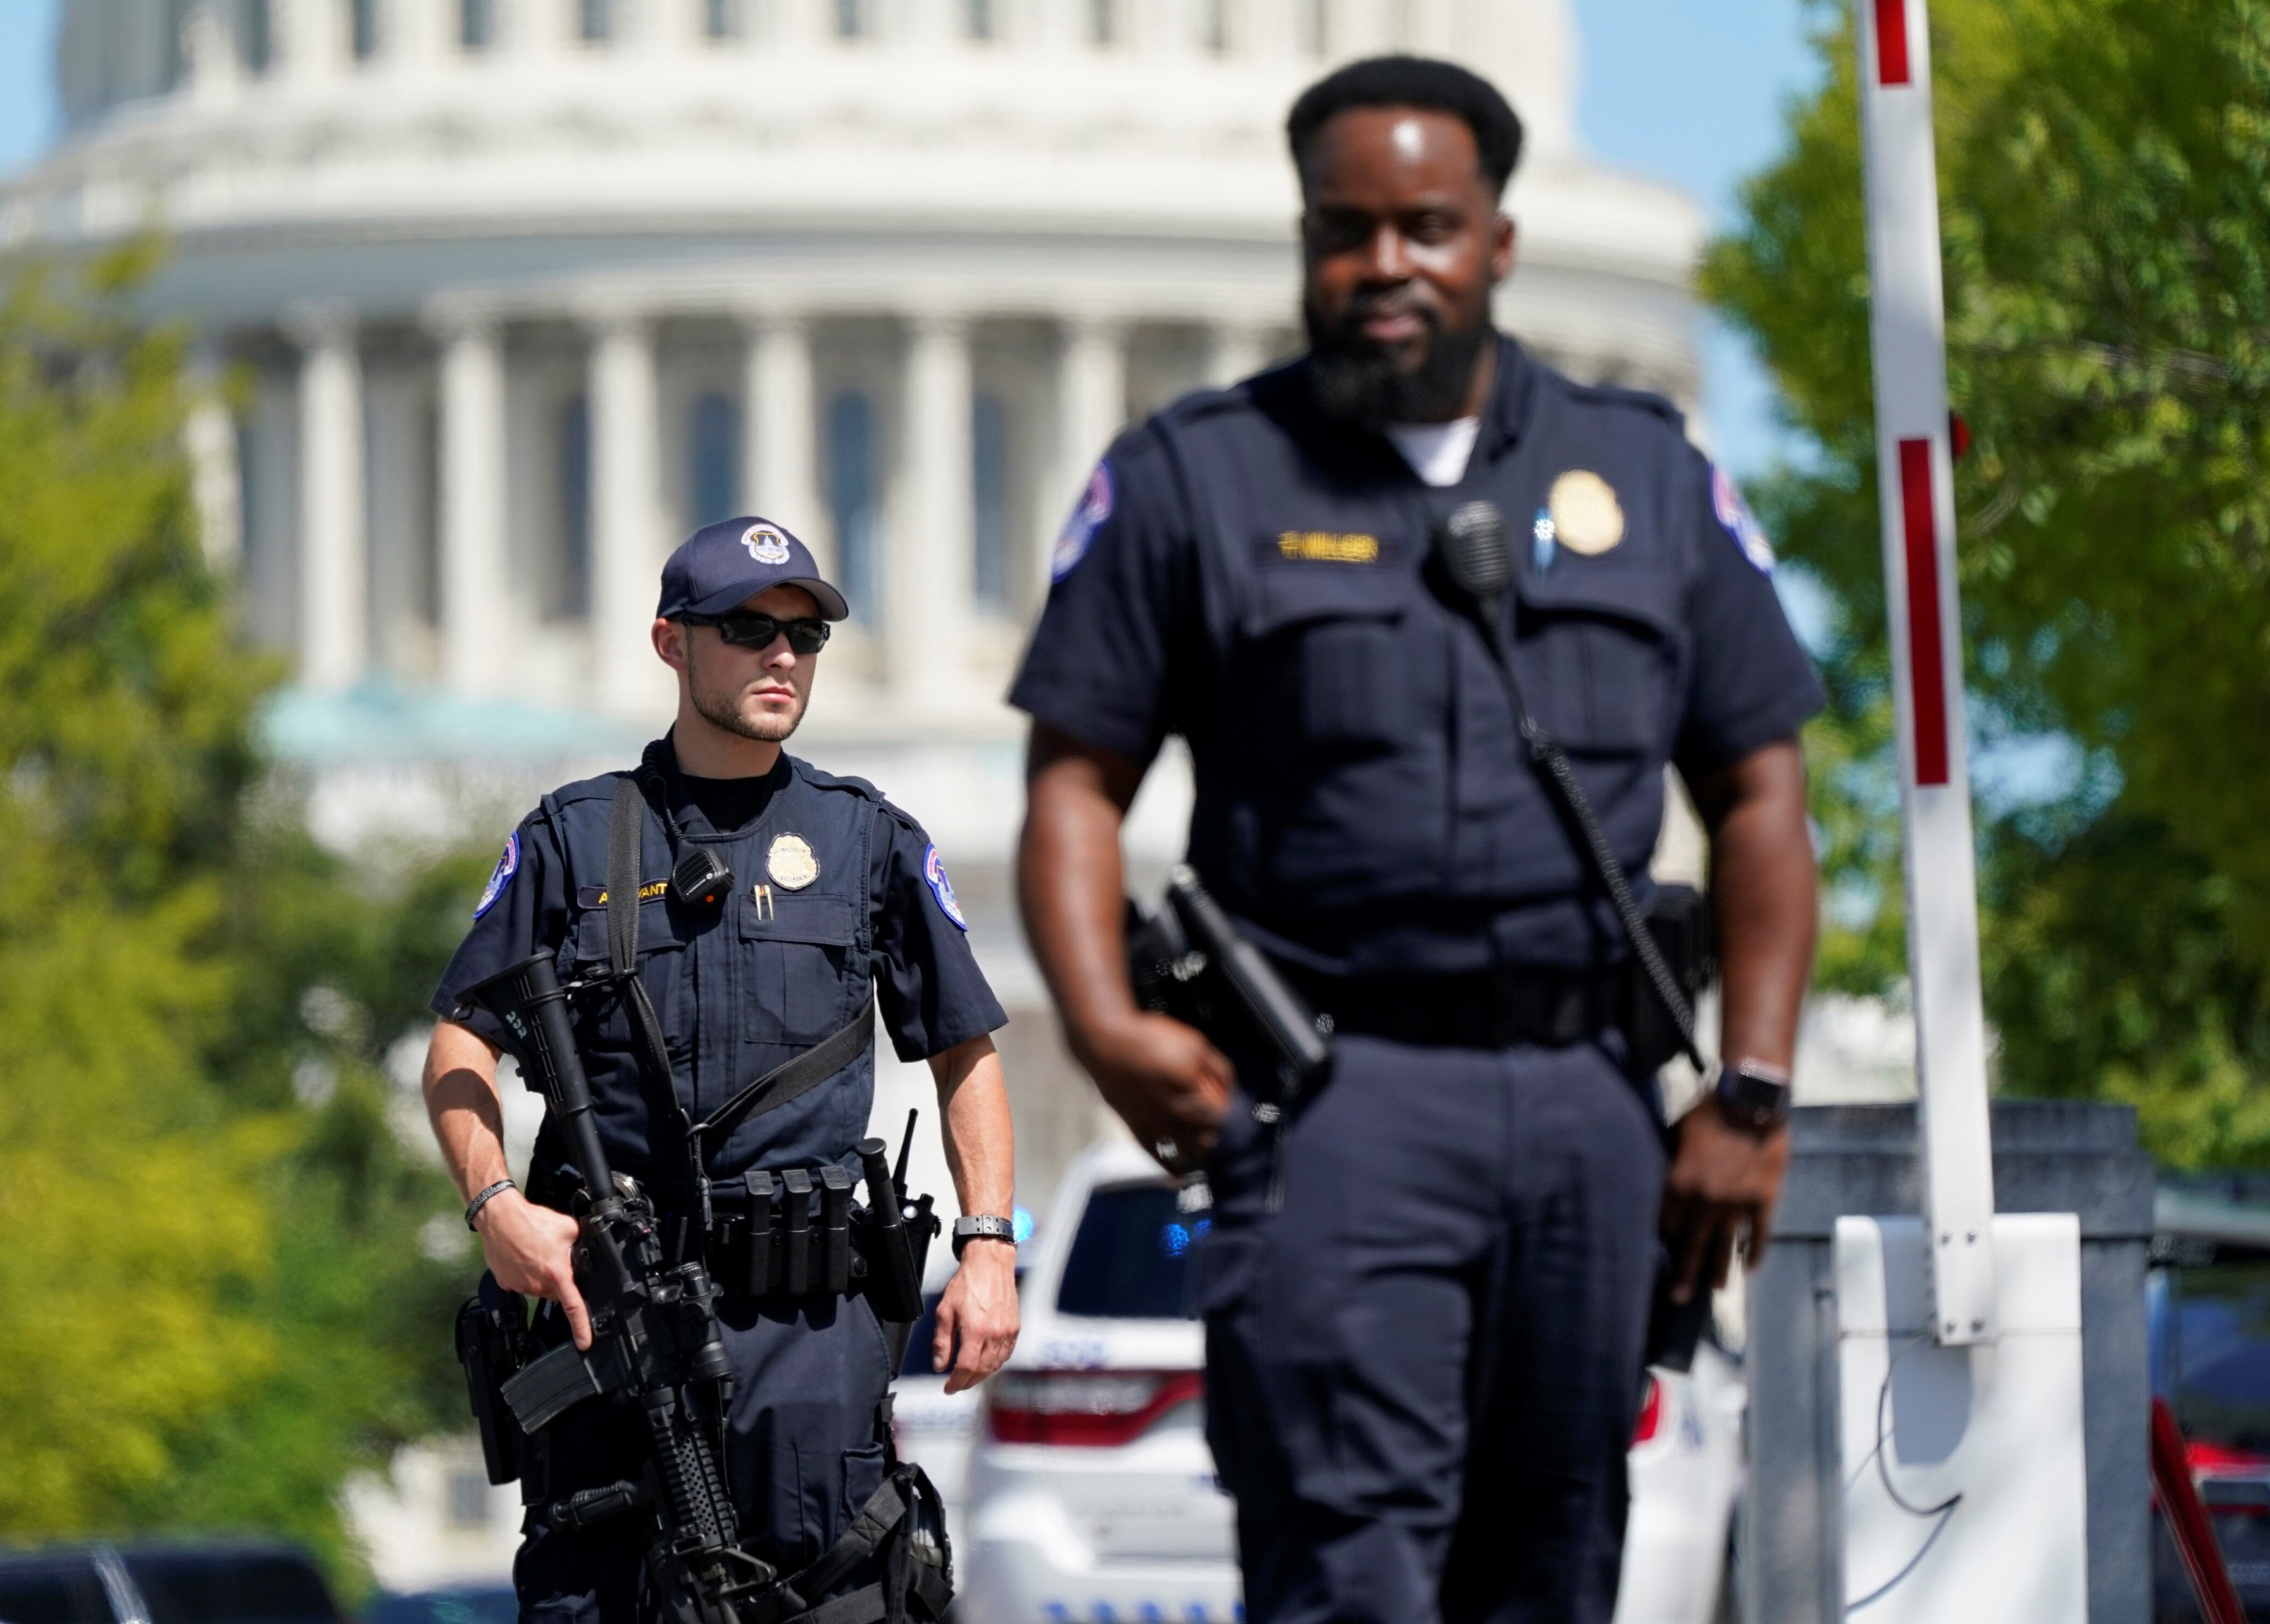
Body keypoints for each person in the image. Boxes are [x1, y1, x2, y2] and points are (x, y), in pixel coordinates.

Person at [1009, 55, 1823, 1624]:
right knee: (1345, 1574)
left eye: (1427, 228)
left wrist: (1754, 1086)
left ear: (1498, 243)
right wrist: (1105, 1029)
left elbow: (1763, 793)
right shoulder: (1194, 480)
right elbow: (1073, 782)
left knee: (1554, 1568)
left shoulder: (1645, 477)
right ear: (1308, 239)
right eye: (1346, 230)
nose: (1385, 266)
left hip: (1589, 1110)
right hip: (1334, 1108)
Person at [423, 515, 1020, 1624]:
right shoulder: (574, 841)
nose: (782, 657)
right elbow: (461, 1048)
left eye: (805, 635)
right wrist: (497, 1206)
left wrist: (990, 1248)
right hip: (613, 1325)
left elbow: (965, 1053)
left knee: (840, 1591)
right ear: (671, 644)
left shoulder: (868, 842)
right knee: (593, 1596)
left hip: (807, 1338)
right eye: (749, 629)